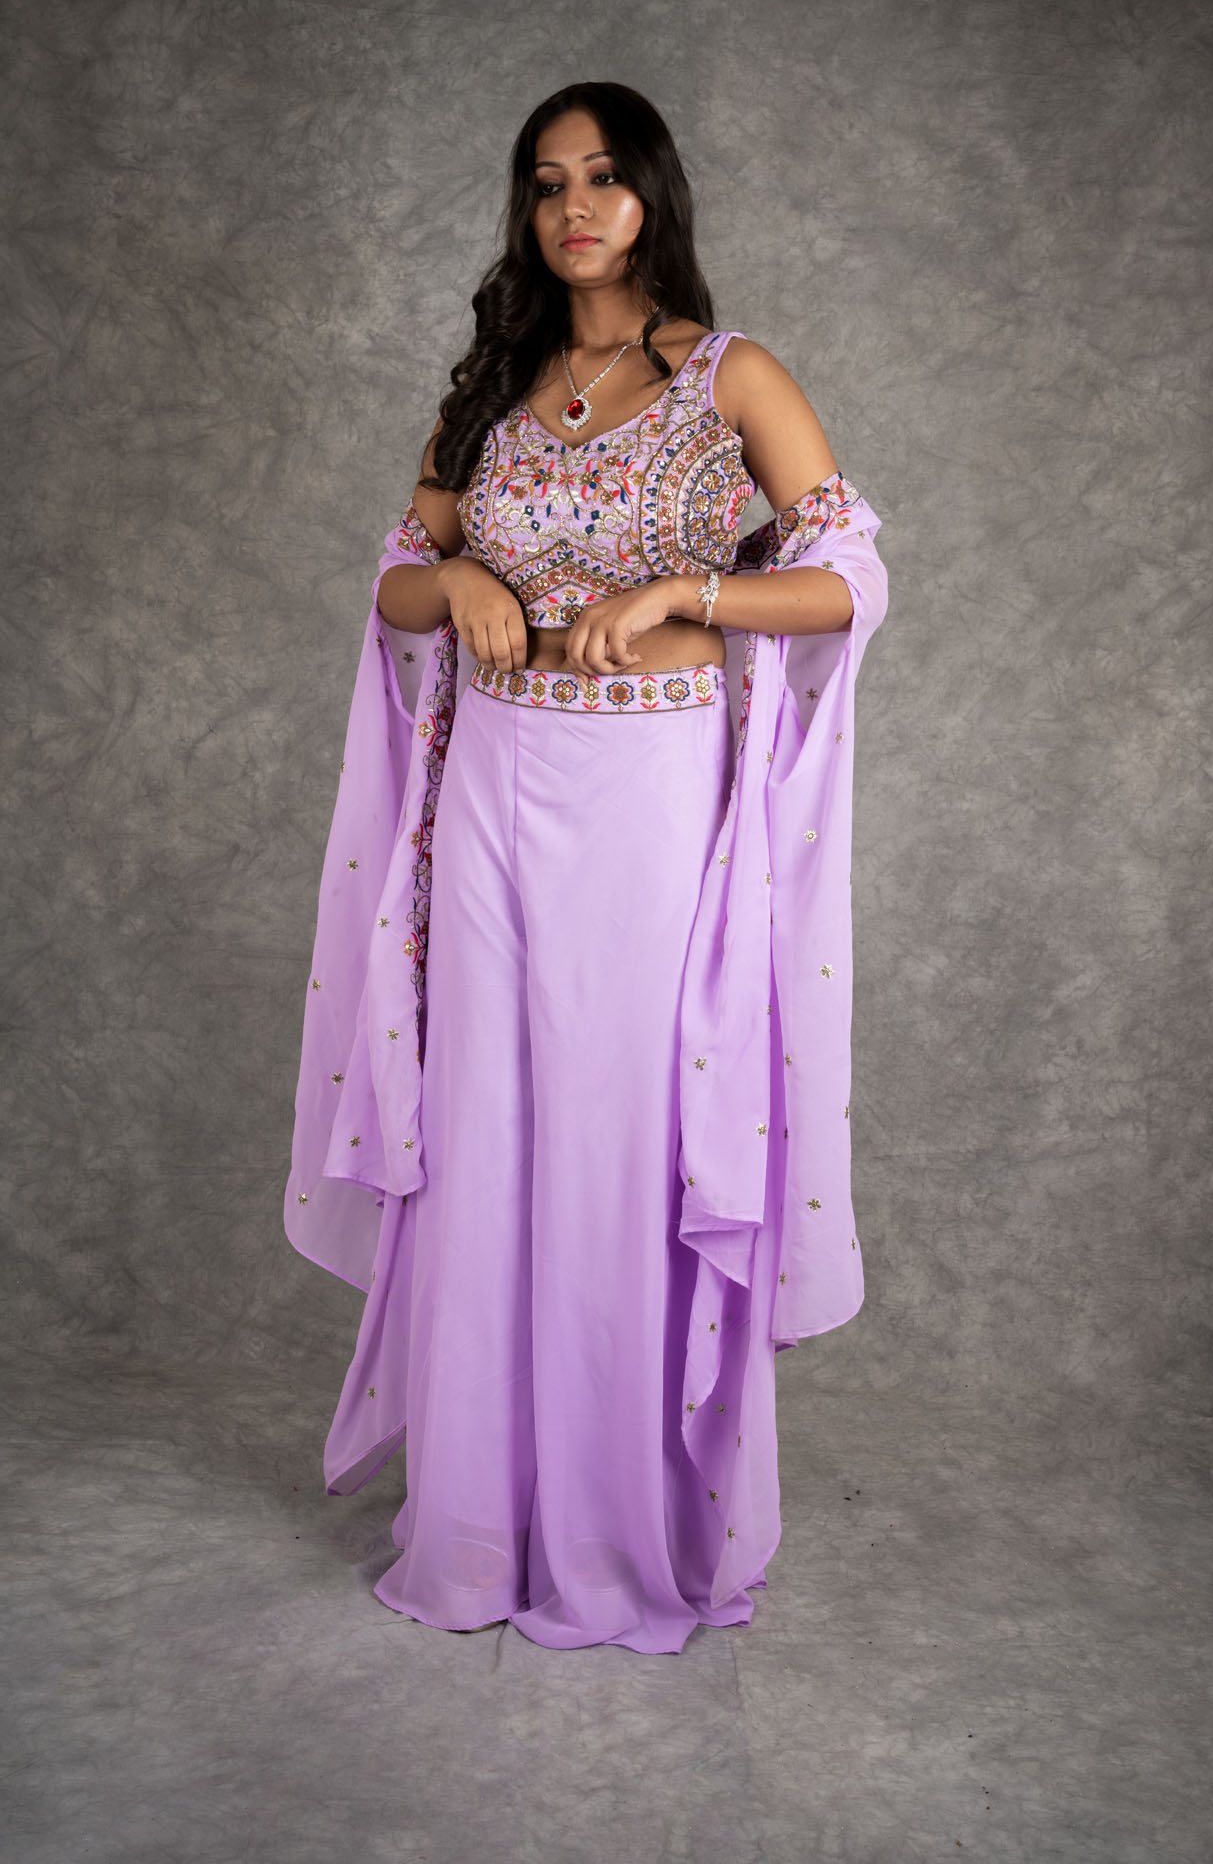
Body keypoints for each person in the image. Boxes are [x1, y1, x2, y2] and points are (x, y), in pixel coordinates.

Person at [283, 80, 890, 1655]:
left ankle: (620, 1533)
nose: (575, 208)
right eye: (547, 181)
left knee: (624, 1129)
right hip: (493, 782)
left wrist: (691, 590)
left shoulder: (729, 374)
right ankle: (480, 1529)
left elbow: (845, 579)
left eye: (605, 177)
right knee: (487, 1123)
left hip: (650, 789)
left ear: (650, 196)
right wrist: (459, 582)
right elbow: (400, 581)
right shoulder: (490, 385)